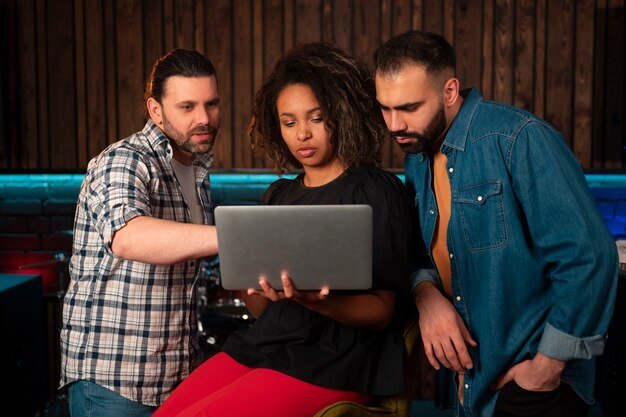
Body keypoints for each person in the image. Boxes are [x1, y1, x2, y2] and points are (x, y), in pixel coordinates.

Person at [153, 42, 414, 417]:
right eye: (289, 122)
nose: (302, 135)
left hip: (337, 362)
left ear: (343, 114)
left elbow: (382, 312)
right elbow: (267, 311)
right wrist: (243, 281)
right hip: (264, 347)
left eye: (316, 118)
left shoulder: (375, 190)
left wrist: (317, 300)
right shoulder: (279, 195)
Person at [373, 30, 618, 417]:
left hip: (533, 384)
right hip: (471, 382)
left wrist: (547, 367)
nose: (394, 124)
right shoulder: (417, 156)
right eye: (384, 109)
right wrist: (425, 294)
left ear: (450, 91)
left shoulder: (519, 138)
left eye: (408, 107)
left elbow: (590, 259)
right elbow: (418, 249)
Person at [60, 49, 222, 417]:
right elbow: (128, 236)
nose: (204, 118)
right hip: (114, 384)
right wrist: (237, 238)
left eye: (211, 104)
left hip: (176, 379)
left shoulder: (197, 174)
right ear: (155, 110)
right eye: (187, 107)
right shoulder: (124, 160)